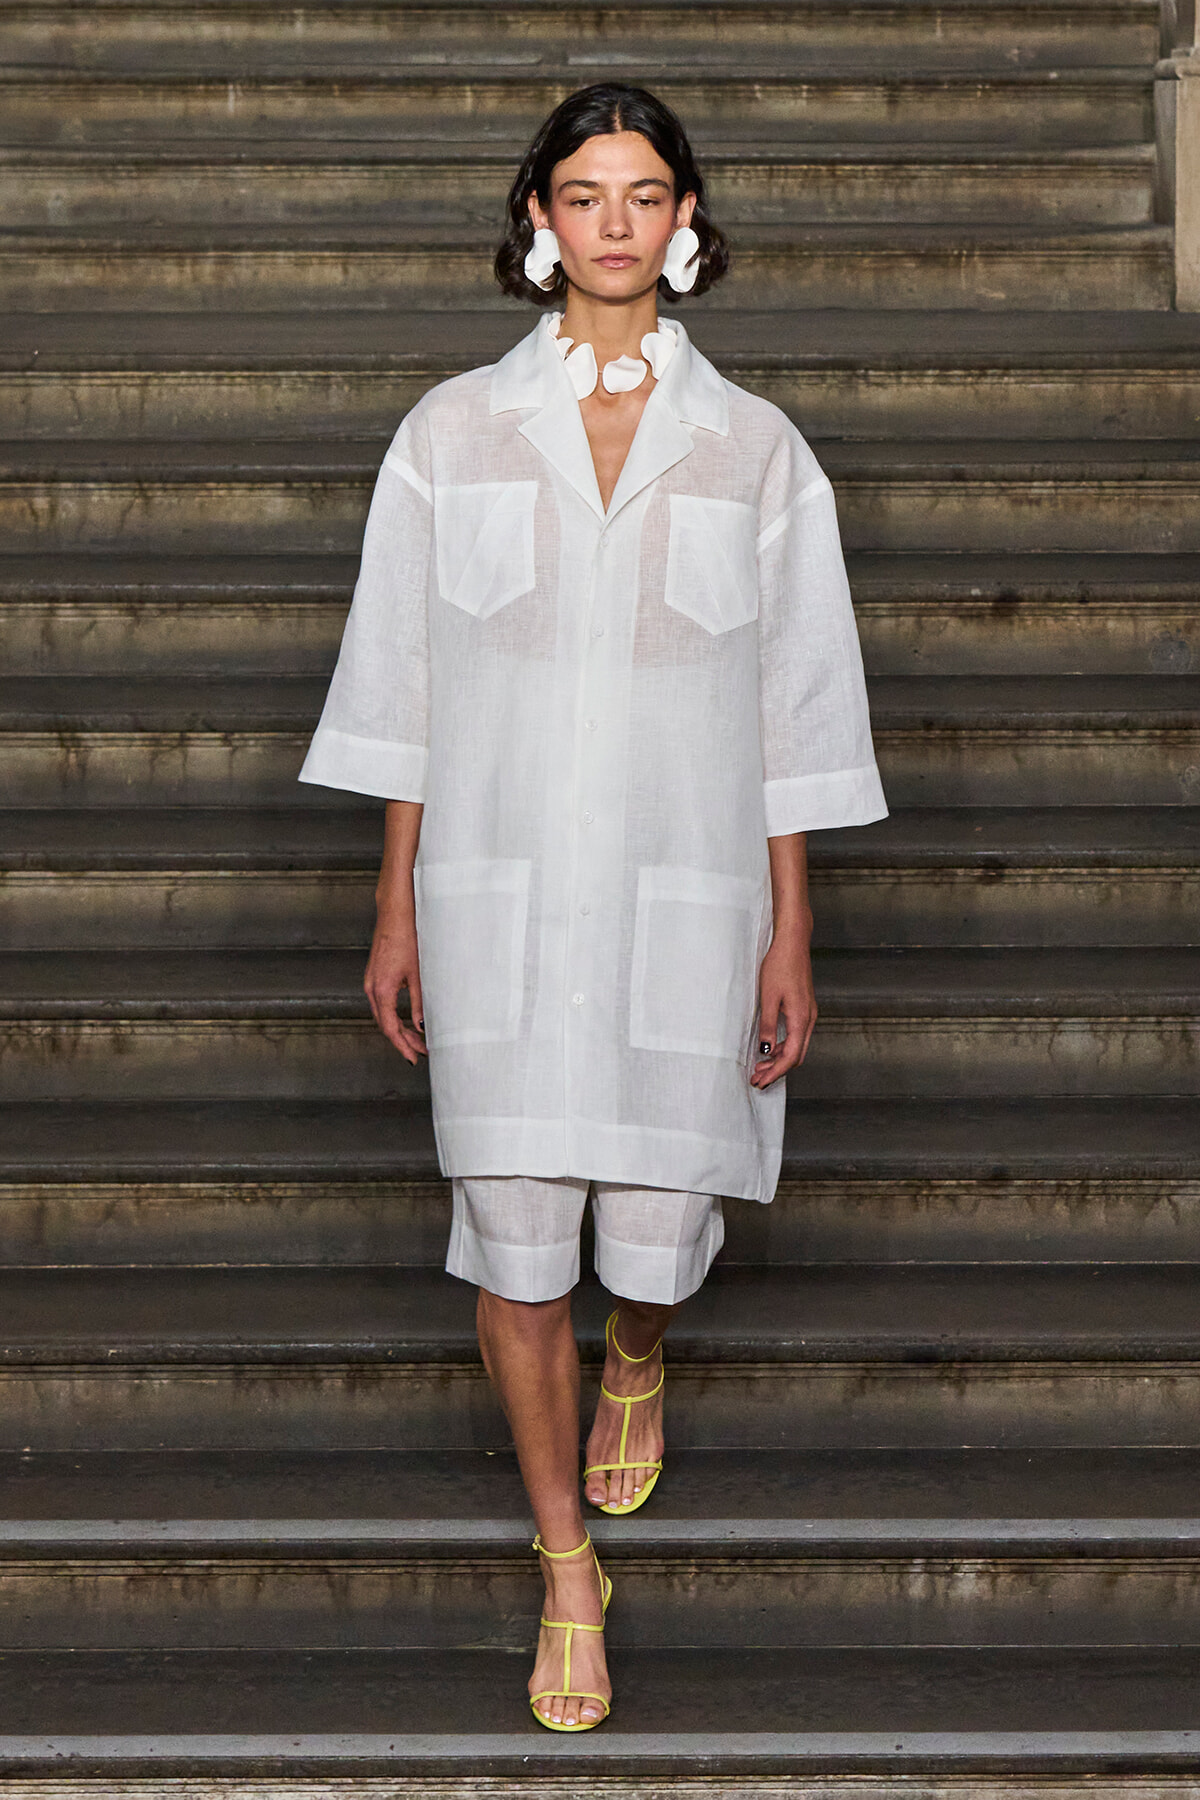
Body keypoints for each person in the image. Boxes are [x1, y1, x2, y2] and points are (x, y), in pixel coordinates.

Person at [298, 81, 887, 1733]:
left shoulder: (756, 449)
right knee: (514, 1242)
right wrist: (397, 907)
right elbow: (404, 687)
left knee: (655, 1227)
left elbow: (794, 709)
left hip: (686, 897)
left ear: (685, 219)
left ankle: (641, 1346)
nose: (612, 223)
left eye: (642, 194)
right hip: (494, 894)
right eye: (582, 194)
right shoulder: (450, 434)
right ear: (536, 219)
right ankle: (568, 1567)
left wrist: (791, 927)